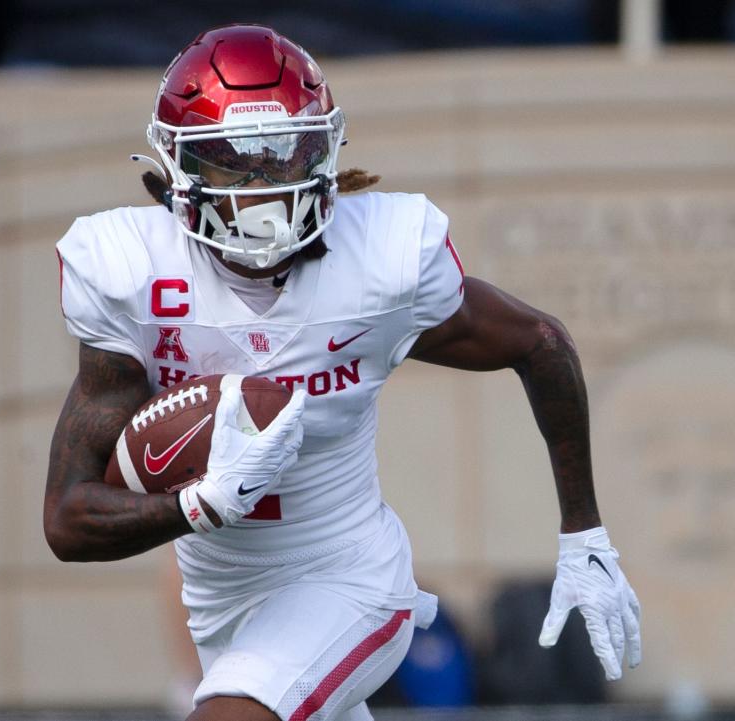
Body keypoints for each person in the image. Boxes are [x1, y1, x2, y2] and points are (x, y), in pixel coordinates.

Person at [44, 24, 641, 721]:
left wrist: (585, 534)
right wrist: (198, 506)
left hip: (349, 581)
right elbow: (67, 519)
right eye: (236, 167)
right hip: (222, 608)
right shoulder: (133, 276)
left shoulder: (376, 264)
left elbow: (540, 342)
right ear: (179, 172)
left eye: (283, 157)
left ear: (325, 153)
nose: (263, 191)